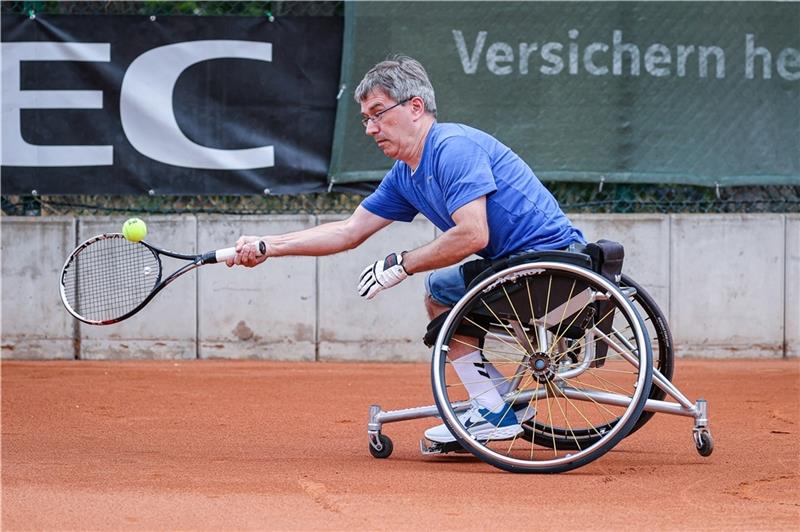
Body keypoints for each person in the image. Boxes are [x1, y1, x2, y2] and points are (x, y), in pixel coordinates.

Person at [229, 55, 585, 444]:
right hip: (521, 266)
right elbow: (349, 231)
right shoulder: (406, 174)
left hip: (552, 264)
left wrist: (402, 264)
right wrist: (269, 246)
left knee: (440, 291)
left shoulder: (452, 149)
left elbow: (472, 235)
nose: (370, 128)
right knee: (440, 292)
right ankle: (498, 403)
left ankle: (493, 407)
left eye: (378, 113)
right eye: (366, 118)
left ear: (415, 107)